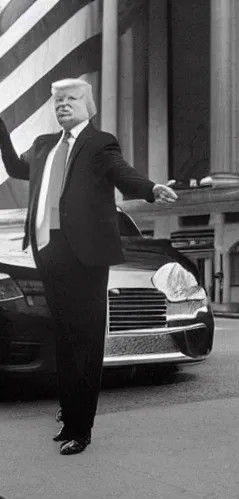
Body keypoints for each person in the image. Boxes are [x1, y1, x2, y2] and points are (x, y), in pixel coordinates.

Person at [0, 78, 177, 455]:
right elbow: (17, 168)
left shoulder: (99, 143)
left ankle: (81, 427)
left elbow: (121, 172)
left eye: (72, 99)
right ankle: (69, 412)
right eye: (58, 100)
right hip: (48, 251)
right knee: (63, 336)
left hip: (86, 253)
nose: (63, 104)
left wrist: (150, 188)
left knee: (86, 339)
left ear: (88, 107)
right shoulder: (44, 145)